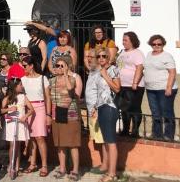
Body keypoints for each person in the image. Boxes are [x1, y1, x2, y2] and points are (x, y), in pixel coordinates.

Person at [88, 49, 121, 182]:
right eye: (98, 56)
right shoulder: (97, 72)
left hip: (110, 108)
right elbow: (101, 93)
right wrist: (95, 107)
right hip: (101, 108)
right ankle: (109, 171)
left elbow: (117, 89)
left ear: (109, 57)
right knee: (107, 141)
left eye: (104, 56)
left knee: (111, 142)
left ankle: (112, 174)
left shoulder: (113, 69)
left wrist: (105, 75)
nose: (101, 58)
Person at [50, 57, 81, 181]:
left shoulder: (72, 79)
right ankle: (62, 168)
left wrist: (66, 74)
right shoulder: (51, 81)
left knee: (73, 144)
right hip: (56, 114)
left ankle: (75, 170)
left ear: (67, 67)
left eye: (62, 66)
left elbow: (69, 88)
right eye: (57, 66)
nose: (59, 68)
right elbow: (48, 98)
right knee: (60, 143)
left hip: (71, 115)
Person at [20, 56, 51, 177]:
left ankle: (44, 165)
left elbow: (48, 98)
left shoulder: (43, 78)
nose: (23, 68)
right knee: (31, 138)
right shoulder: (22, 80)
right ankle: (32, 163)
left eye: (25, 66)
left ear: (31, 65)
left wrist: (48, 114)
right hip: (27, 109)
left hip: (40, 108)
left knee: (39, 137)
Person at [143, 35, 177, 141]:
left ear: (163, 44)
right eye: (154, 44)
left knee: (167, 112)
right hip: (151, 89)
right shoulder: (149, 54)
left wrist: (168, 87)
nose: (156, 46)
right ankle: (157, 135)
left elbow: (172, 72)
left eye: (159, 44)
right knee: (155, 113)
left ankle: (169, 136)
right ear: (151, 44)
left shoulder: (167, 56)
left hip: (164, 89)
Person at [1, 78, 33, 178]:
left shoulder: (23, 97)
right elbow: (1, 110)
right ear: (15, 86)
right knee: (12, 144)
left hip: (20, 123)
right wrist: (9, 109)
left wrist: (25, 117)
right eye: (20, 85)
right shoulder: (7, 98)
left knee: (18, 145)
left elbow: (31, 109)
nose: (22, 86)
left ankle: (17, 167)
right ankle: (11, 164)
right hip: (11, 123)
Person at [116, 32, 145, 137]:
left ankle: (135, 131)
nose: (123, 42)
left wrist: (135, 82)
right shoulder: (122, 52)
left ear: (132, 41)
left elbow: (140, 68)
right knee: (124, 108)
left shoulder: (137, 53)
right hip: (122, 85)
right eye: (123, 40)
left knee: (134, 108)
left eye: (126, 40)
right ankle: (125, 129)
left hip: (134, 85)